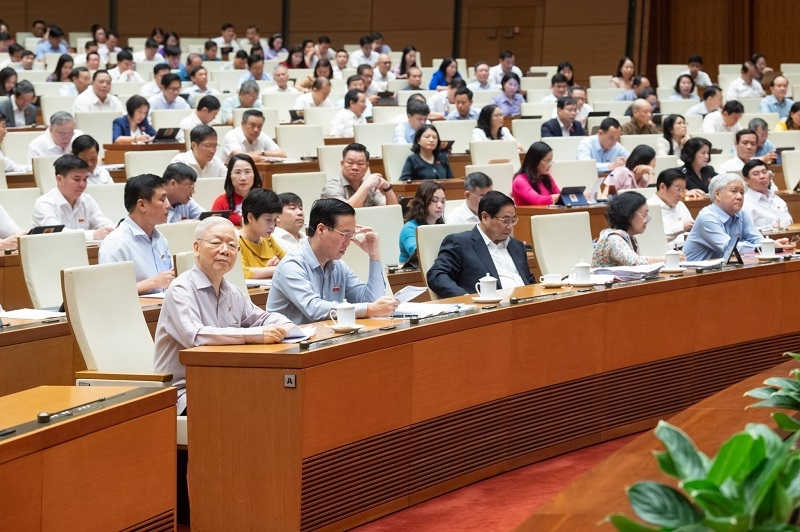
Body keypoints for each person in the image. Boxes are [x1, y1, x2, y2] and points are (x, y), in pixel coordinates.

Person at [154, 216, 296, 414]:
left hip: (223, 383)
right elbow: (196, 337)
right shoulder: (180, 289)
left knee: (281, 393)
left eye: (231, 245)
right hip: (182, 394)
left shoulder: (232, 292)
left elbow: (262, 318)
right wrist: (252, 336)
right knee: (258, 404)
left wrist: (289, 327)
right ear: (196, 248)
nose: (224, 250)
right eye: (216, 243)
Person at [267, 198, 397, 324]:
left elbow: (372, 301)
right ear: (321, 229)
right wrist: (368, 309)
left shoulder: (338, 265)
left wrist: (374, 256)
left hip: (325, 338)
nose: (348, 242)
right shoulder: (292, 265)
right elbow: (314, 309)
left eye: (351, 235)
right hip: (291, 343)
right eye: (344, 235)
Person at [427, 191, 534, 298]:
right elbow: (437, 275)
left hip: (527, 304)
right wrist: (465, 297)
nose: (510, 226)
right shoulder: (460, 243)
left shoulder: (517, 246)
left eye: (513, 220)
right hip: (492, 309)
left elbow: (529, 281)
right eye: (505, 220)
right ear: (485, 217)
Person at [683, 174, 794, 260]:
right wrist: (765, 247)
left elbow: (756, 239)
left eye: (742, 192)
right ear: (717, 194)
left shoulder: (741, 214)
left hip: (720, 272)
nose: (740, 196)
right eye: (734, 191)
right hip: (692, 276)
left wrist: (772, 245)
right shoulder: (707, 217)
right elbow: (729, 248)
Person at [98, 174, 174, 295]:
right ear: (142, 205)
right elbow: (110, 292)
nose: (168, 205)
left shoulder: (160, 238)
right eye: (162, 199)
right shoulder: (115, 243)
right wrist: (153, 283)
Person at [31, 154, 114, 241]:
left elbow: (104, 223)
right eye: (77, 179)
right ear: (59, 179)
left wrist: (116, 228)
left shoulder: (87, 200)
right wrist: (92, 235)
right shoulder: (44, 204)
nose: (82, 185)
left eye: (85, 179)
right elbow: (56, 234)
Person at [592, 192, 667, 267]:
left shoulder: (631, 238)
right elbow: (636, 263)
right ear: (629, 214)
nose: (646, 220)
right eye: (644, 215)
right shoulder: (613, 238)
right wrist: (666, 259)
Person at [321, 142, 398, 207]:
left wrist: (387, 188)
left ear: (367, 166)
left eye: (360, 163)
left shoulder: (370, 186)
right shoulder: (331, 187)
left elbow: (391, 209)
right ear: (342, 164)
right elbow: (344, 213)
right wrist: (366, 186)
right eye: (350, 163)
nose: (355, 167)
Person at [236, 188, 286, 279]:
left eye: (275, 220)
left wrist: (279, 264)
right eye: (268, 220)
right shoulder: (235, 241)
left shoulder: (269, 239)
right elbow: (242, 273)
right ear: (250, 217)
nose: (272, 226)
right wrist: (276, 269)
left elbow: (290, 263)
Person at [399, 181, 446, 263]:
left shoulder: (442, 227)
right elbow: (418, 253)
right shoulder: (409, 228)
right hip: (413, 273)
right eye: (434, 200)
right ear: (422, 202)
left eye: (443, 201)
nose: (440, 205)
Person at [211, 154, 262, 226]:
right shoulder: (221, 201)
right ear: (230, 175)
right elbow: (213, 228)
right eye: (238, 172)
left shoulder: (263, 199)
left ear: (254, 174)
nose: (243, 178)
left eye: (247, 172)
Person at [647, 169, 694, 245]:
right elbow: (652, 240)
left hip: (686, 250)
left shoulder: (680, 205)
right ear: (662, 187)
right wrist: (680, 227)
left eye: (683, 189)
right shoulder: (649, 208)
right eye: (678, 189)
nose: (681, 194)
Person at [742, 160, 792, 230]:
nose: (762, 176)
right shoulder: (745, 203)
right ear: (746, 180)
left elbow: (790, 224)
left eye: (764, 172)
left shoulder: (778, 200)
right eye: (756, 174)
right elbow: (748, 232)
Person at [512, 142, 561, 206]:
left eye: (551, 161)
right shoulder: (519, 180)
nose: (550, 165)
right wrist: (556, 197)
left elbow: (559, 194)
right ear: (535, 160)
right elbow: (536, 200)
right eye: (547, 161)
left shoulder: (547, 176)